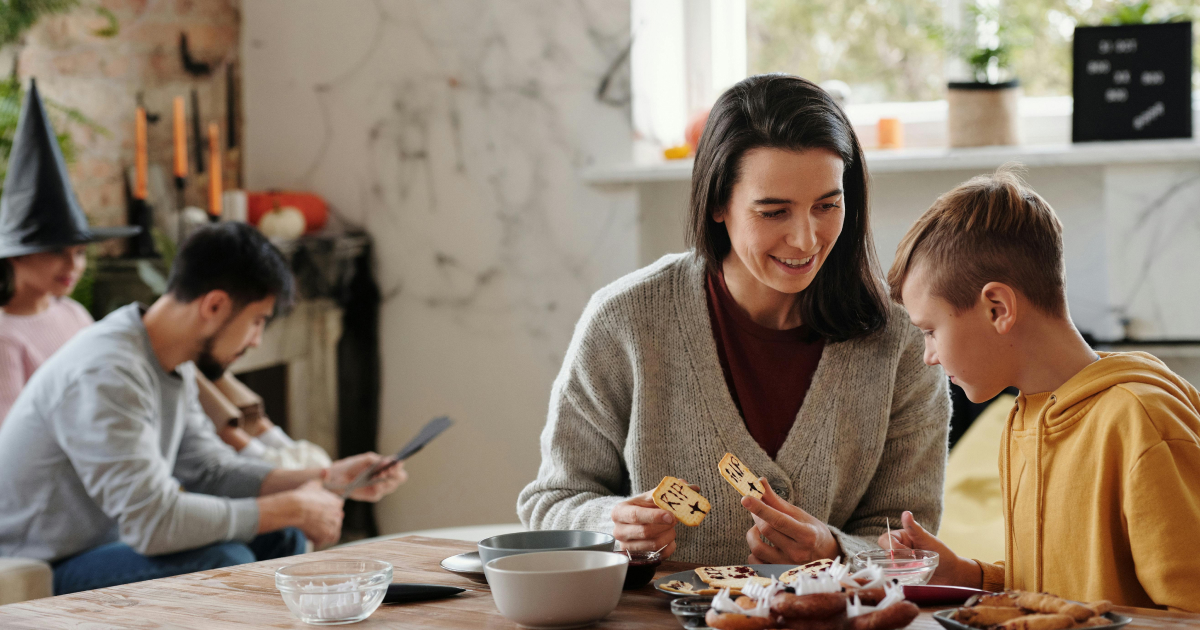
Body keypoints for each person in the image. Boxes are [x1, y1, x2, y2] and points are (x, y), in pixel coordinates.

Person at [517, 74, 950, 566]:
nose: (806, 240)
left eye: (827, 206)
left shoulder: (903, 343)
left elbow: (908, 539)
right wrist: (610, 524)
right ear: (719, 203)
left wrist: (834, 550)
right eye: (773, 212)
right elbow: (551, 501)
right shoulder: (626, 321)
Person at [0, 222, 407, 595]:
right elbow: (152, 523)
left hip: (109, 541)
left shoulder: (167, 361)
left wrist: (325, 477)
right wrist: (292, 506)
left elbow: (210, 471)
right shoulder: (108, 373)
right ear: (214, 305)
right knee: (228, 560)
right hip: (46, 560)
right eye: (256, 321)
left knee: (281, 537)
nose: (256, 341)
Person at [881, 168, 1200, 610]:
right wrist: (968, 575)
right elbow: (1052, 594)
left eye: (930, 331)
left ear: (998, 308)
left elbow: (1191, 612)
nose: (928, 356)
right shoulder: (1023, 418)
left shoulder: (1140, 422)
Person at [0, 80, 140, 422]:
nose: (73, 265)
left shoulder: (74, 315)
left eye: (79, 253)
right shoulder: (5, 338)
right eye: (58, 253)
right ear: (18, 254)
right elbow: (9, 433)